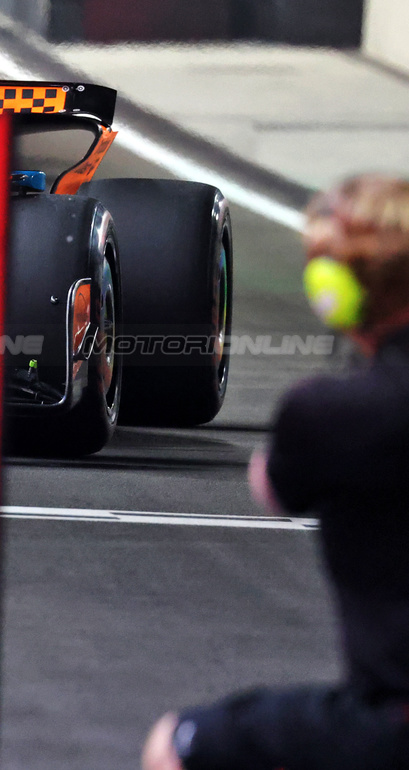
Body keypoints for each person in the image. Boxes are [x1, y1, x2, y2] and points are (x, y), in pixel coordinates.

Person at [142, 175, 409, 770]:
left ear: (333, 290)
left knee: (175, 746)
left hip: (392, 719)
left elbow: (274, 486)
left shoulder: (332, 412)